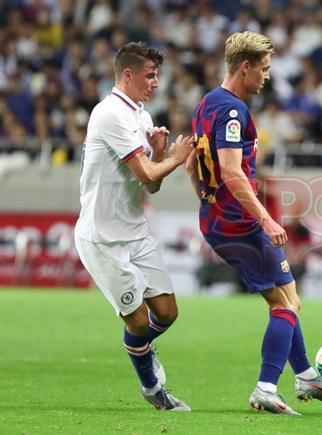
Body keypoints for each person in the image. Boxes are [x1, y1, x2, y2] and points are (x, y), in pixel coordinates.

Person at [185, 31, 322, 416]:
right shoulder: (232, 111)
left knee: (291, 298)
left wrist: (206, 199)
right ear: (245, 67)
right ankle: (265, 387)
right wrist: (265, 216)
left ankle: (306, 374)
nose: (267, 77)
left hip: (220, 216)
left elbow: (193, 164)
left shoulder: (206, 103)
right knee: (284, 306)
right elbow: (230, 171)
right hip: (240, 223)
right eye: (264, 69)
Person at [74, 42, 194, 411]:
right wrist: (173, 158)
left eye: (157, 74)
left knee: (168, 313)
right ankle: (153, 389)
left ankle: (141, 347)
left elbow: (150, 184)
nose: (156, 82)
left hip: (135, 232)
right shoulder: (110, 114)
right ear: (128, 75)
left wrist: (160, 154)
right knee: (139, 321)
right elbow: (146, 172)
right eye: (150, 74)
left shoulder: (140, 116)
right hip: (103, 238)